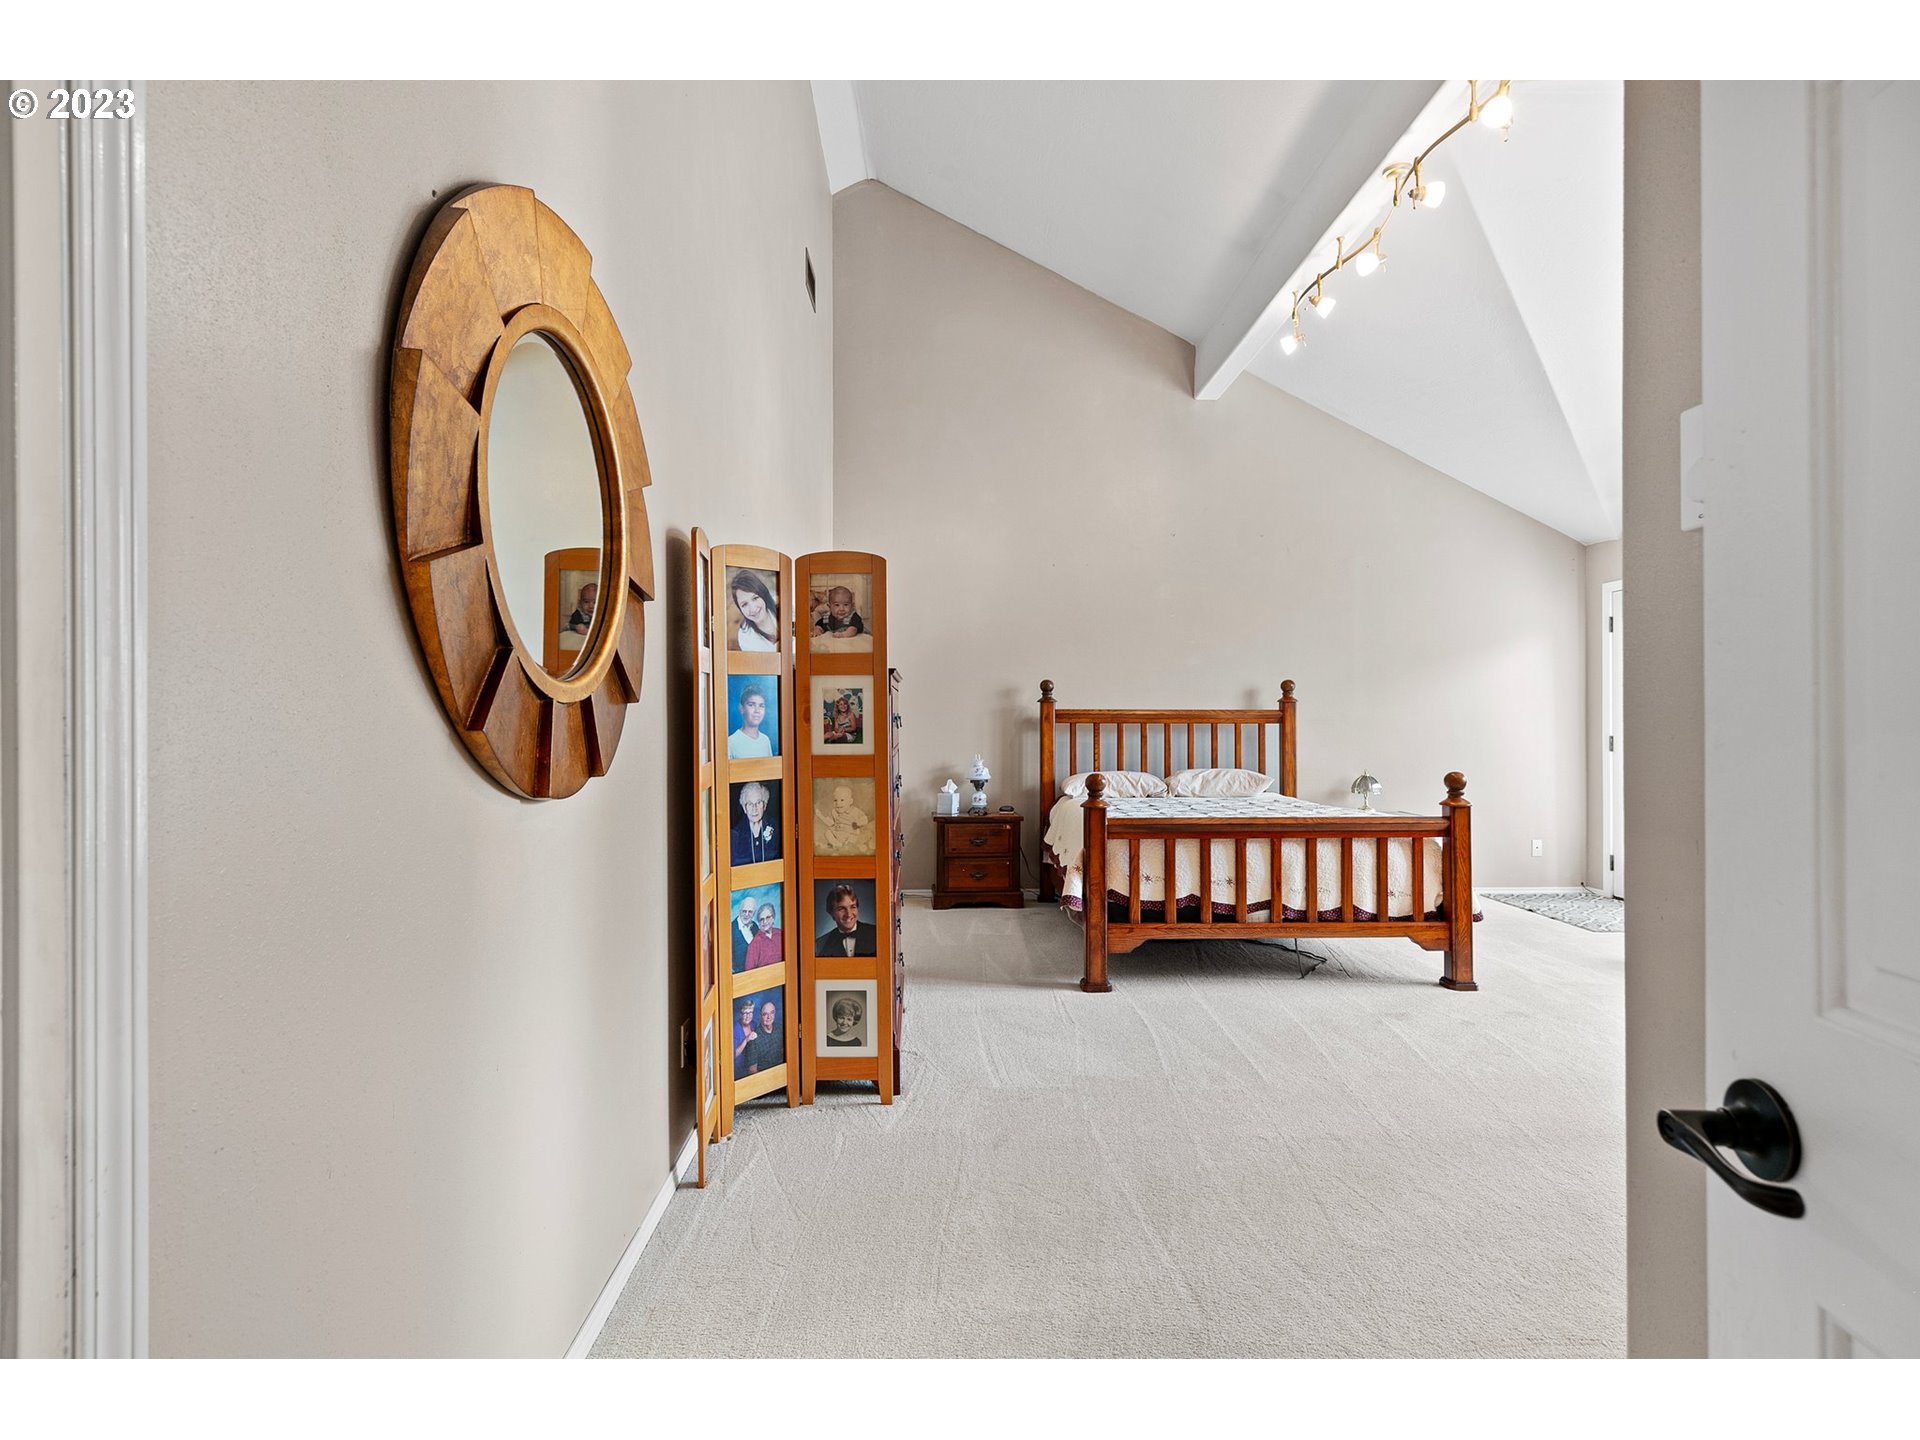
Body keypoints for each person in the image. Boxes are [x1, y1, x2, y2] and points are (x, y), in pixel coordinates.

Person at [815, 883, 878, 957]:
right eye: (841, 908)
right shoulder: (821, 944)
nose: (848, 914)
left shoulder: (876, 933)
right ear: (831, 912)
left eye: (853, 907)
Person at [814, 783, 873, 854]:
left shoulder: (855, 811)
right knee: (827, 832)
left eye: (842, 800)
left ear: (850, 802)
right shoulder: (834, 812)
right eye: (835, 800)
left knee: (855, 838)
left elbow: (864, 818)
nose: (838, 803)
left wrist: (859, 822)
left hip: (850, 834)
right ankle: (837, 844)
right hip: (838, 833)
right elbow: (831, 823)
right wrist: (820, 816)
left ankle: (851, 846)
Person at [730, 570, 780, 652]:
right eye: (744, 604)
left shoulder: (782, 606)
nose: (753, 609)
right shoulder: (745, 637)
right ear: (740, 608)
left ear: (763, 595)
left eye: (755, 598)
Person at [731, 781, 779, 864]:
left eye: (758, 803)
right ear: (744, 808)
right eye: (750, 804)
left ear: (765, 805)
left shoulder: (774, 827)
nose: (754, 808)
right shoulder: (736, 834)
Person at [727, 683, 774, 759]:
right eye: (751, 705)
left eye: (761, 706)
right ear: (741, 708)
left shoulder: (765, 740)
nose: (757, 710)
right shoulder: (731, 742)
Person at [746, 999, 782, 1073]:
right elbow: (752, 1070)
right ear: (760, 1016)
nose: (769, 1017)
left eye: (772, 1013)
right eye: (765, 1014)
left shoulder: (780, 1029)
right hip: (764, 1078)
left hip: (780, 1073)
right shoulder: (753, 1039)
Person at [744, 902, 783, 970]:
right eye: (761, 919)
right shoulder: (755, 944)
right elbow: (749, 971)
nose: (765, 922)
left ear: (773, 918)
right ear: (759, 923)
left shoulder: (781, 934)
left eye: (768, 917)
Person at [730, 894, 758, 970]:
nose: (746, 915)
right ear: (739, 911)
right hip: (740, 976)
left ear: (754, 913)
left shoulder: (755, 926)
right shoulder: (731, 930)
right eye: (744, 911)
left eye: (750, 912)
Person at [732, 998, 757, 1076]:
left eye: (750, 1013)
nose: (748, 1016)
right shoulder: (735, 1029)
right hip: (739, 1069)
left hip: (751, 1065)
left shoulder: (753, 1024)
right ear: (740, 1014)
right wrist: (746, 1040)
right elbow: (733, 1055)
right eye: (745, 1013)